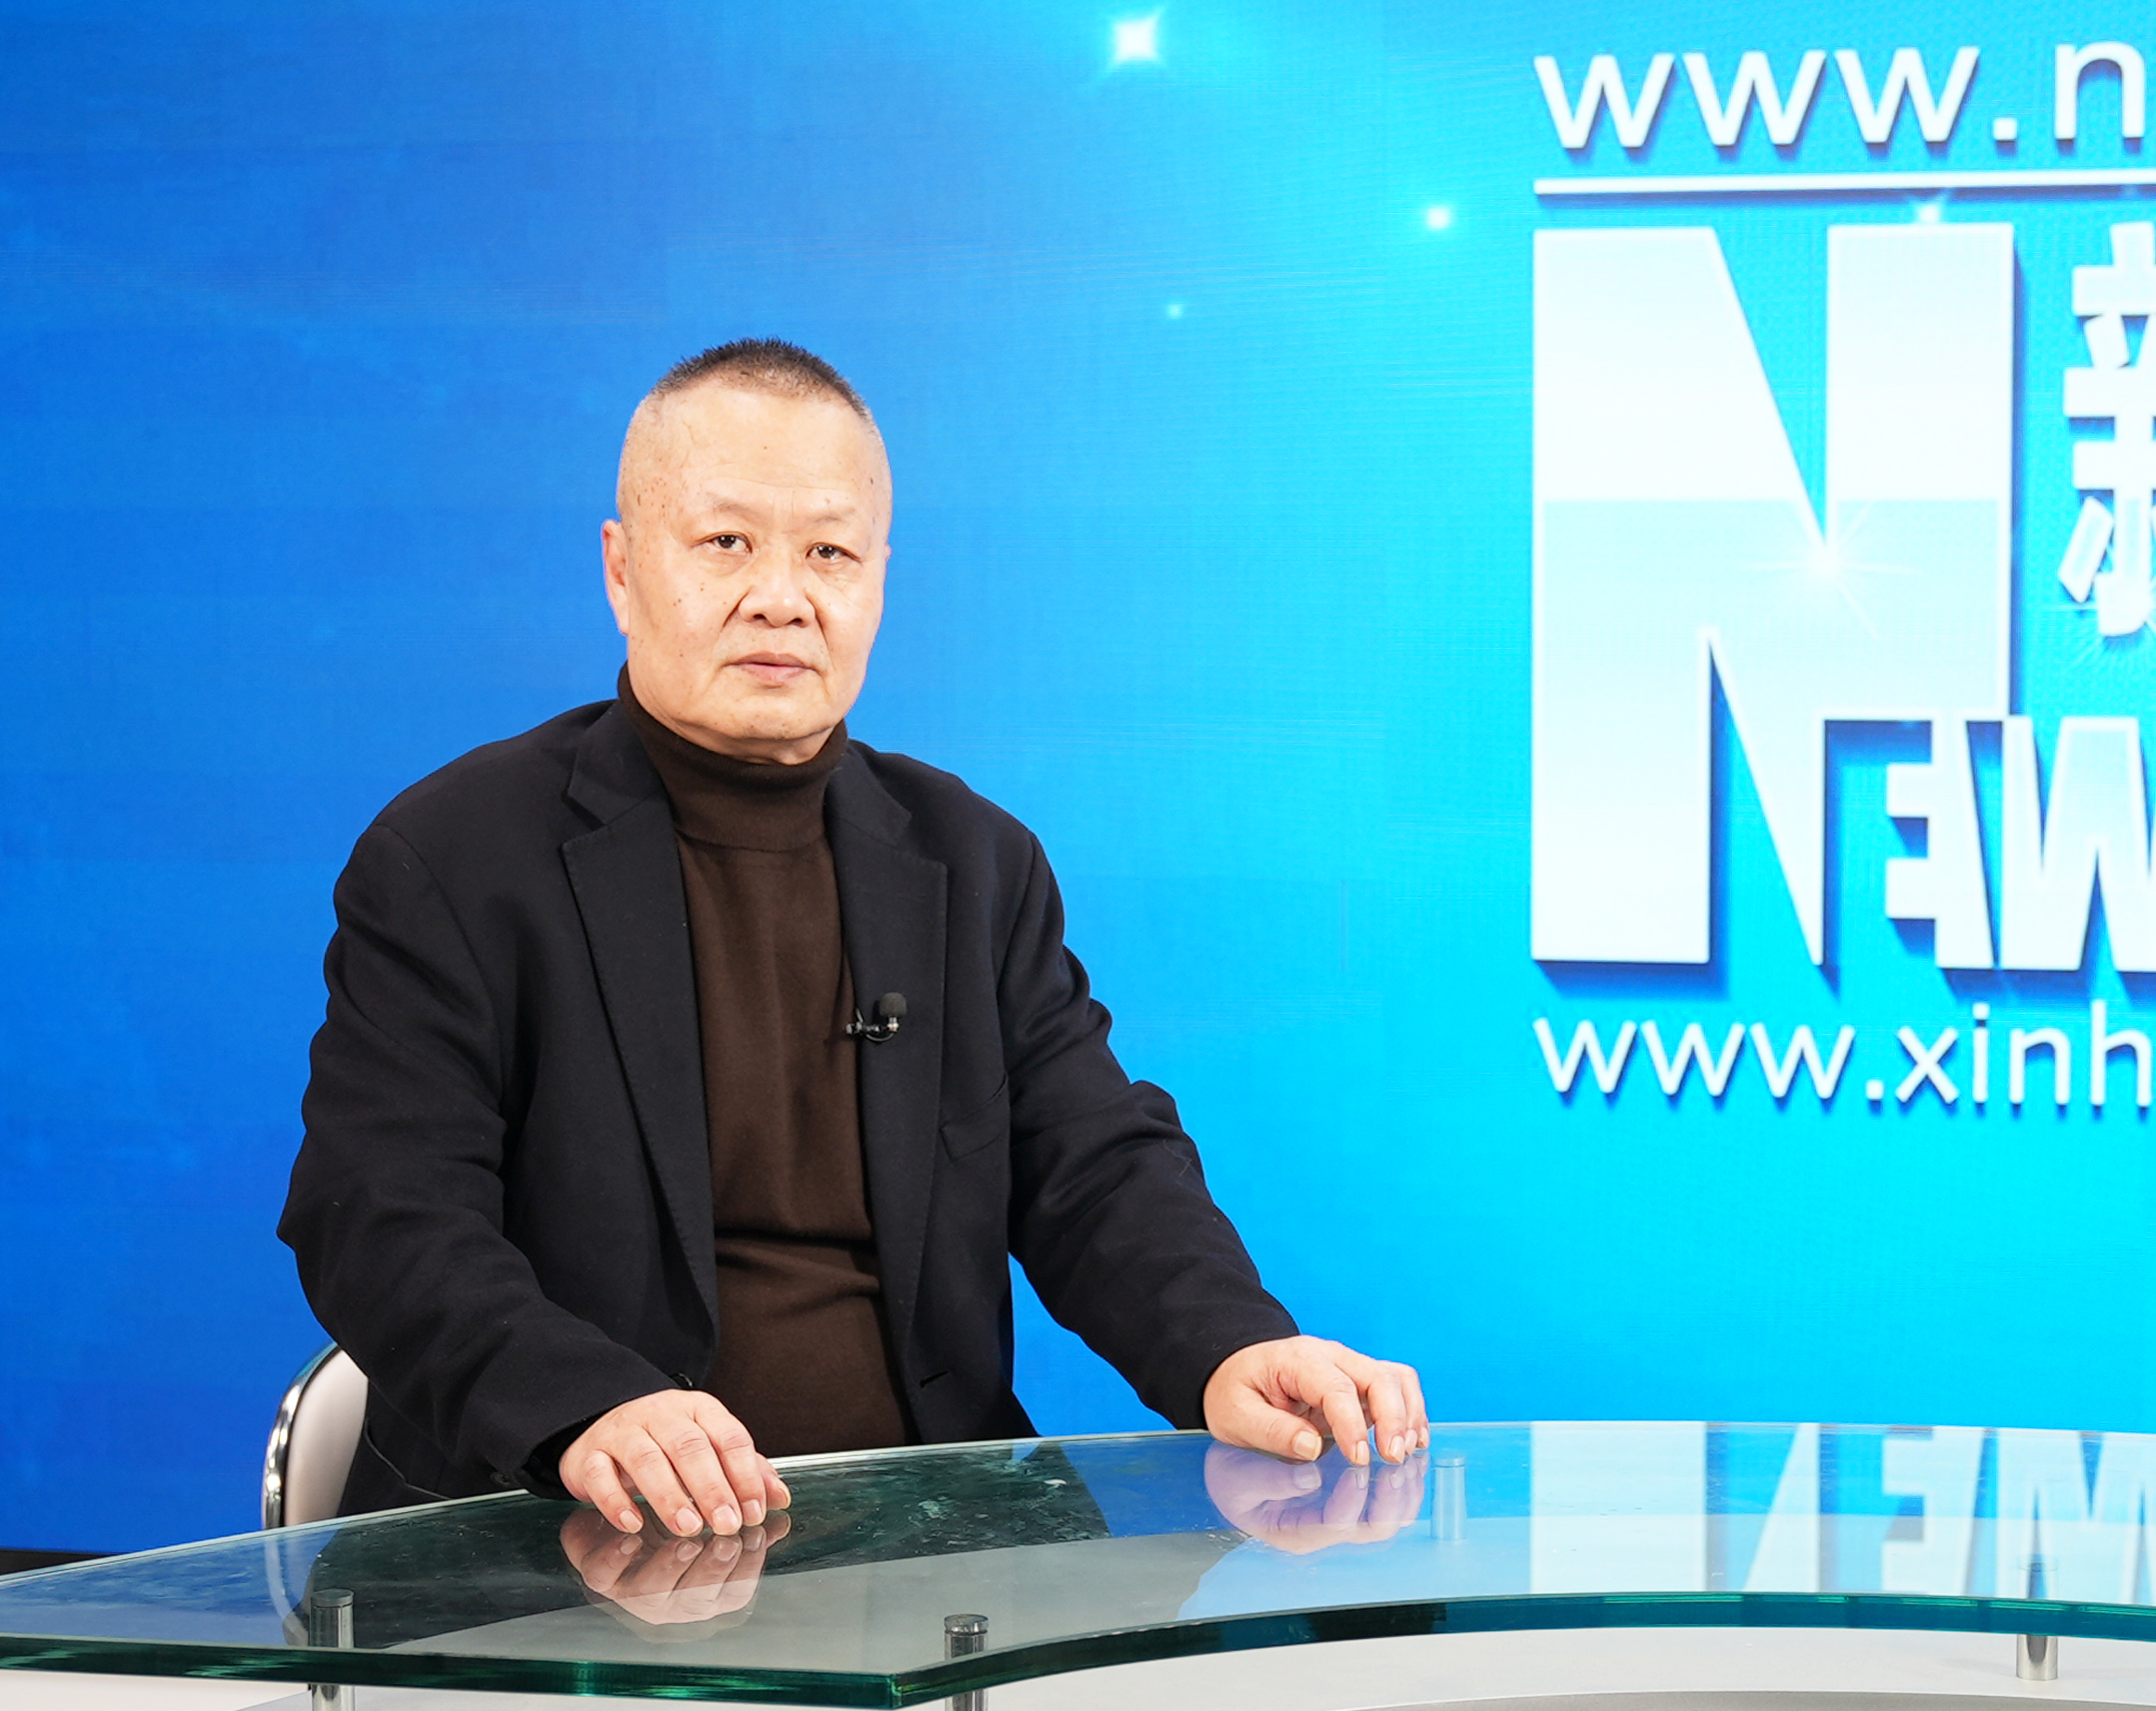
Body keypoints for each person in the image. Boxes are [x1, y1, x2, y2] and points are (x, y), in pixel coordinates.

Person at [280, 339, 1426, 1538]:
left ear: (880, 580)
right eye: (727, 542)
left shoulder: (973, 860)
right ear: (621, 569)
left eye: (828, 552)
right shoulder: (456, 856)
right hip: (567, 1546)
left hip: (933, 1546)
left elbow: (1091, 1167)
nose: (781, 595)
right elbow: (380, 1214)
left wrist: (1230, 1344)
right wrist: (587, 1408)